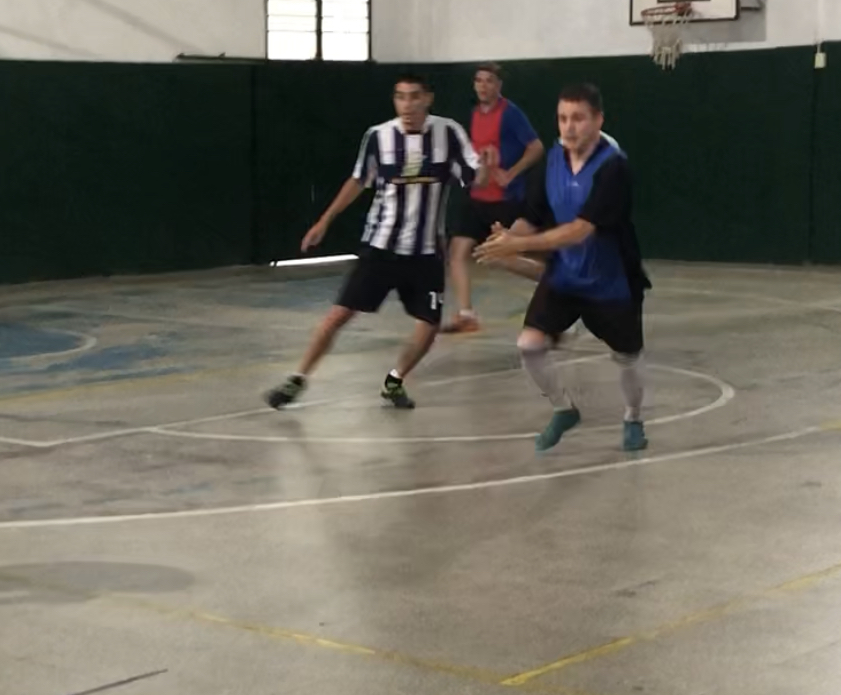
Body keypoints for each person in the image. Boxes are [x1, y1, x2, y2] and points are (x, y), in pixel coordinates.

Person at [265, 74, 481, 411]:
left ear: (428, 99)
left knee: (429, 325)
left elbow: (473, 174)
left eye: (414, 96)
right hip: (380, 248)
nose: (407, 105)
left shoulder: (448, 133)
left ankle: (395, 381)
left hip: (425, 254)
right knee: (338, 315)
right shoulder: (378, 136)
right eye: (400, 97)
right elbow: (357, 180)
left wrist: (489, 170)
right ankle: (297, 378)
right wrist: (325, 221)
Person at [476, 83, 654, 453]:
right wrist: (507, 237)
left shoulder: (613, 167)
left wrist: (518, 245)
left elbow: (580, 230)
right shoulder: (552, 161)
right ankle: (564, 409)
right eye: (562, 118)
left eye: (578, 118)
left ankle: (633, 417)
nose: (569, 127)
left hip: (611, 283)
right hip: (564, 278)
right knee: (529, 345)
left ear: (598, 120)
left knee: (626, 358)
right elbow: (533, 216)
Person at [444, 63, 544, 334]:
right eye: (479, 80)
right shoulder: (474, 114)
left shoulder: (510, 113)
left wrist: (512, 173)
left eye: (489, 80)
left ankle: (559, 285)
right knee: (457, 252)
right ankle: (466, 315)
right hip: (477, 197)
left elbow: (536, 147)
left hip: (505, 200)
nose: (483, 85)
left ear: (499, 85)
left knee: (501, 257)